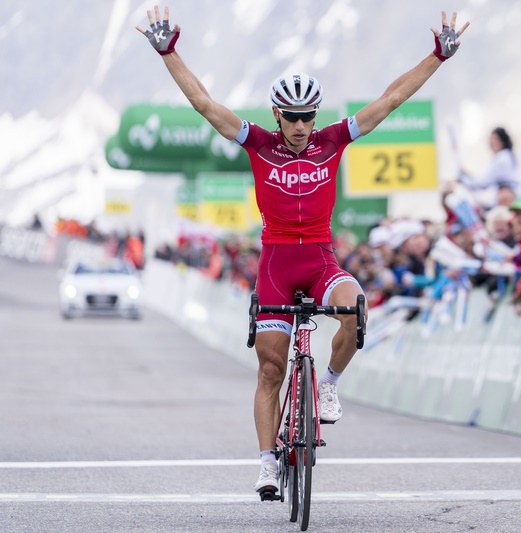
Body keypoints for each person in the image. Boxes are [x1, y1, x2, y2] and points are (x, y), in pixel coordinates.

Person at [136, 5, 469, 498]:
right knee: (271, 367)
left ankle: (329, 381)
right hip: (274, 263)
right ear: (277, 114)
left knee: (355, 305)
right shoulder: (259, 143)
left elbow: (392, 98)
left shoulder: (333, 140)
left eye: (307, 116)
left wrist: (438, 56)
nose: (299, 125)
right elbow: (206, 105)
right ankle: (268, 463)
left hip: (318, 260)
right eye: (291, 117)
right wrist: (169, 53)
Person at [458, 127, 521, 205]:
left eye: (495, 139)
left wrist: (461, 179)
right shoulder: (507, 156)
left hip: (508, 198)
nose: (491, 143)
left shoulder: (502, 158)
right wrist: (467, 174)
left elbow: (482, 183)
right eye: (490, 139)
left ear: (502, 141)